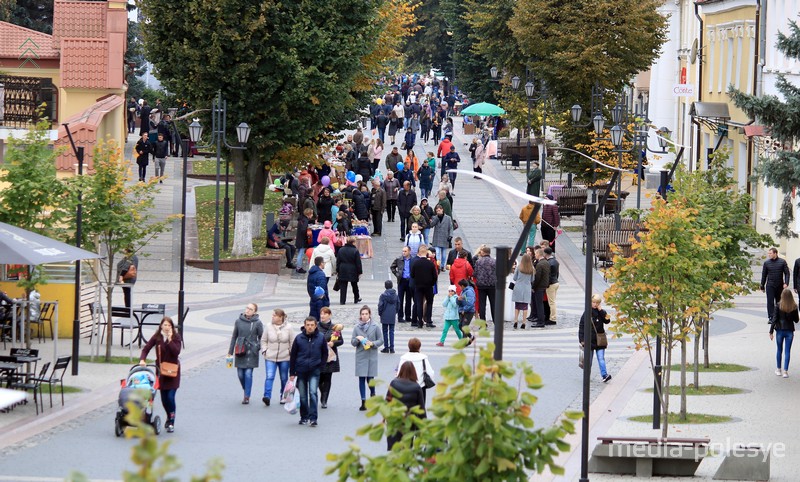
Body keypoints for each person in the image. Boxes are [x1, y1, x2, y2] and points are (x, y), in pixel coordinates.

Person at [138, 316, 181, 432]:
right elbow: (146, 349)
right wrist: (142, 359)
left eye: (169, 325)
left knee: (170, 397)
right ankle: (169, 415)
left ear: (172, 327)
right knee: (164, 399)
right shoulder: (157, 337)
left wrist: (170, 339)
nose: (167, 327)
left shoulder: (176, 337)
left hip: (173, 372)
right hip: (161, 371)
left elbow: (176, 352)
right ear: (161, 326)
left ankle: (171, 421)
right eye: (165, 325)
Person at [289, 317, 327, 426]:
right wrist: (292, 373)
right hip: (301, 370)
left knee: (313, 393)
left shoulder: (320, 338)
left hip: (314, 370)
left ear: (315, 326)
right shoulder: (299, 338)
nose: (310, 327)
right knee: (303, 395)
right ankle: (304, 416)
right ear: (305, 326)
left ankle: (313, 418)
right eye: (308, 325)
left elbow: (325, 353)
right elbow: (293, 356)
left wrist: (321, 366)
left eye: (312, 325)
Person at [227, 303, 264, 404]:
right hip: (240, 349)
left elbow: (262, 337)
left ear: (254, 312)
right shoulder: (238, 321)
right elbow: (234, 336)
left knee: (248, 374)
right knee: (240, 374)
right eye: (247, 308)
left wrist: (257, 347)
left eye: (250, 309)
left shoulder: (258, 323)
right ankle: (246, 388)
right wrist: (230, 351)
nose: (247, 310)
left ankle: (247, 396)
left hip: (251, 351)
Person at [385, 361, 427, 451]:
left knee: (395, 447)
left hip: (394, 420)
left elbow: (387, 401)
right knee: (407, 448)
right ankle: (405, 464)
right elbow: (421, 409)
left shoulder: (394, 383)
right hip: (409, 421)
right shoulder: (416, 387)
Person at [259, 309, 295, 406]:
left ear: (280, 317)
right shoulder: (268, 326)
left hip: (285, 357)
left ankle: (283, 396)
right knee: (269, 376)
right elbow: (263, 340)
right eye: (272, 315)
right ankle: (267, 396)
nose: (272, 317)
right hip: (270, 356)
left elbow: (292, 342)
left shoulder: (289, 327)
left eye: (274, 315)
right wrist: (264, 350)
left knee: (284, 378)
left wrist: (291, 352)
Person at [352, 305, 384, 410]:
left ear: (369, 314)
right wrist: (357, 339)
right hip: (361, 356)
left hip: (371, 355)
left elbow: (381, 340)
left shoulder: (375, 326)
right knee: (361, 378)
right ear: (360, 316)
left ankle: (373, 393)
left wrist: (372, 343)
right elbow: (352, 342)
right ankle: (363, 401)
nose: (364, 316)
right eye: (362, 314)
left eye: (366, 314)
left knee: (370, 378)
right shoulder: (356, 328)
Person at [579, 294, 612, 382]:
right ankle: (586, 376)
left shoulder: (601, 312)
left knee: (601, 358)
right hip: (589, 340)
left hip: (599, 340)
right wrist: (581, 339)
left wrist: (601, 310)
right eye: (593, 302)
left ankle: (604, 375)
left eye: (597, 303)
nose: (595, 304)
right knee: (588, 360)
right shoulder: (587, 312)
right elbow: (581, 326)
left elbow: (607, 321)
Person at [317, 307, 343, 408]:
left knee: (327, 377)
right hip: (319, 355)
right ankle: (323, 393)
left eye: (324, 314)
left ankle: (324, 399)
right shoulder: (316, 326)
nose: (322, 316)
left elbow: (341, 341)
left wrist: (333, 343)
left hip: (330, 356)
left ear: (329, 315)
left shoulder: (334, 327)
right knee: (319, 378)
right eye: (321, 314)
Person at [397, 337, 435, 405]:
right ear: (419, 347)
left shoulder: (403, 358)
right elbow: (430, 373)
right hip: (420, 387)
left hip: (406, 387)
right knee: (420, 409)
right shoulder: (423, 358)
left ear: (408, 346)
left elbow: (398, 373)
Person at [769, 288, 798, 378]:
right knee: (787, 351)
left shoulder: (778, 305)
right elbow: (796, 320)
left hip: (780, 330)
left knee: (779, 350)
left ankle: (778, 369)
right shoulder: (794, 306)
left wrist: (771, 331)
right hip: (789, 331)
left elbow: (774, 319)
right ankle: (785, 371)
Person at [410, 245, 438, 328]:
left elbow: (412, 275)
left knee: (419, 303)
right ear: (426, 253)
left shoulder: (416, 263)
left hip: (418, 286)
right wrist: (432, 283)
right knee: (429, 303)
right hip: (428, 286)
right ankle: (428, 321)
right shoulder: (430, 263)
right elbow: (435, 276)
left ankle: (420, 322)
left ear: (419, 252)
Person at [762, 247, 790, 322]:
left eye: (770, 253)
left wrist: (786, 283)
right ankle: (771, 317)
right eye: (768, 253)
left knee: (779, 301)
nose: (769, 255)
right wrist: (762, 285)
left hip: (780, 285)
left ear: (775, 253)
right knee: (770, 301)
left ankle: (779, 316)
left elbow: (787, 273)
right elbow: (764, 275)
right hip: (770, 285)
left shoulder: (782, 262)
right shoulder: (766, 263)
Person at [336, 235, 363, 304]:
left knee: (343, 286)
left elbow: (338, 261)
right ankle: (356, 298)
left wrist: (337, 270)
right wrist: (360, 271)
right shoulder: (355, 251)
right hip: (352, 269)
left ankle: (342, 300)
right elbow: (358, 263)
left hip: (343, 269)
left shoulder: (341, 250)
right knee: (354, 285)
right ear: (353, 242)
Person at [391, 246, 414, 324]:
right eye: (403, 251)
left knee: (408, 299)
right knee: (400, 299)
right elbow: (392, 267)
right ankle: (400, 316)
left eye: (405, 251)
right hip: (401, 281)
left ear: (409, 251)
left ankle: (408, 316)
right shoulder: (399, 259)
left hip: (409, 281)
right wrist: (397, 274)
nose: (403, 253)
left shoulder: (412, 260)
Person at [474, 245, 496, 324]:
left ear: (483, 253)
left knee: (482, 305)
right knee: (493, 304)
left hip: (481, 286)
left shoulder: (478, 262)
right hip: (492, 285)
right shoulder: (494, 261)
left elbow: (475, 273)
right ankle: (495, 321)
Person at [427, 205, 453, 272]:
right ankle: (438, 265)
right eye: (437, 211)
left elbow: (450, 227)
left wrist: (450, 235)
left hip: (445, 237)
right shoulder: (435, 217)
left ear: (442, 210)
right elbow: (431, 225)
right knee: (437, 253)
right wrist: (436, 218)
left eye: (439, 210)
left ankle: (442, 266)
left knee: (444, 255)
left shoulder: (448, 218)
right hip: (437, 238)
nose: (438, 212)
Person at [512, 253, 534, 329]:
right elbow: (532, 279)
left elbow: (514, 278)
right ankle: (524, 322)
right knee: (525, 306)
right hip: (527, 288)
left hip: (518, 287)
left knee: (517, 305)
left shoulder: (519, 267)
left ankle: (515, 320)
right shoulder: (532, 269)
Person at [531, 248, 551, 328]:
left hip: (539, 287)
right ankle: (541, 320)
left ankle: (540, 321)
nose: (535, 255)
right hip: (544, 285)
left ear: (538, 254)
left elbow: (537, 277)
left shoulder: (540, 264)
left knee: (539, 304)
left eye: (535, 254)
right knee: (540, 304)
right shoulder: (546, 262)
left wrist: (533, 287)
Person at [378, 280, 400, 354]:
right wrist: (395, 312)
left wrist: (380, 313)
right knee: (391, 331)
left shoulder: (383, 295)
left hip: (384, 314)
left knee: (384, 331)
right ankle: (392, 347)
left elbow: (380, 305)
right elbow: (398, 305)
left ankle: (386, 347)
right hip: (392, 314)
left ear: (385, 286)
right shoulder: (395, 295)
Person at [295, 208, 315, 274]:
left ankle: (298, 266)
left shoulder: (301, 219)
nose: (312, 215)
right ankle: (299, 267)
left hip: (299, 238)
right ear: (308, 214)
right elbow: (303, 230)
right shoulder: (305, 220)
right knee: (300, 253)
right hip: (302, 240)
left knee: (300, 253)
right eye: (311, 214)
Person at [544, 247, 559, 325]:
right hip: (556, 282)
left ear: (546, 254)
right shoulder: (555, 261)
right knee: (552, 301)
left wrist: (546, 284)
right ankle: (552, 317)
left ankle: (553, 318)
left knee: (552, 302)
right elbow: (557, 273)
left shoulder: (549, 263)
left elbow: (548, 276)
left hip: (551, 284)